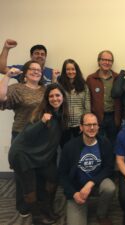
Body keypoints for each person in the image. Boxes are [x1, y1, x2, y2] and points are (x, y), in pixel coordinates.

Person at [8, 83, 69, 225]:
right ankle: (36, 217)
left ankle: (46, 208)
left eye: (57, 95)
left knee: (53, 178)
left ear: (63, 97)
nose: (55, 98)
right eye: (51, 96)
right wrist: (41, 122)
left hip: (40, 156)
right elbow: (27, 135)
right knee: (30, 187)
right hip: (22, 154)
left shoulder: (61, 114)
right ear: (47, 99)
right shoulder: (41, 113)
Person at [0, 61, 47, 217]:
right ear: (25, 73)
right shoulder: (17, 88)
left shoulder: (44, 90)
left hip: (40, 135)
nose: (36, 72)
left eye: (39, 70)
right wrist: (7, 76)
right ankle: (23, 206)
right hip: (21, 136)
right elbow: (1, 97)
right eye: (32, 69)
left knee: (40, 171)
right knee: (22, 173)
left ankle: (38, 202)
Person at [59, 113, 115, 225]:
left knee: (110, 187)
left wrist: (91, 183)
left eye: (95, 124)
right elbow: (62, 175)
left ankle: (101, 214)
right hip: (77, 189)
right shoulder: (69, 147)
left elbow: (109, 168)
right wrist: (74, 193)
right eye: (88, 125)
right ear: (81, 127)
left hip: (96, 184)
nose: (92, 128)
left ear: (99, 127)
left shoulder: (105, 143)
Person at [86, 50, 122, 146]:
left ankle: (112, 161)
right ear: (99, 61)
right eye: (104, 60)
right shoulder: (91, 79)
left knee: (114, 143)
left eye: (109, 60)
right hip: (97, 118)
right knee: (98, 143)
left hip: (114, 117)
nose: (107, 62)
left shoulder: (118, 78)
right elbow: (87, 99)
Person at [58, 59, 91, 147]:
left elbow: (87, 105)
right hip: (64, 123)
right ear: (64, 71)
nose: (71, 72)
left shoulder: (84, 86)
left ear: (77, 70)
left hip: (79, 123)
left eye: (73, 69)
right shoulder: (59, 85)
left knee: (79, 148)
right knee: (65, 147)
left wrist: (85, 123)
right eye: (68, 69)